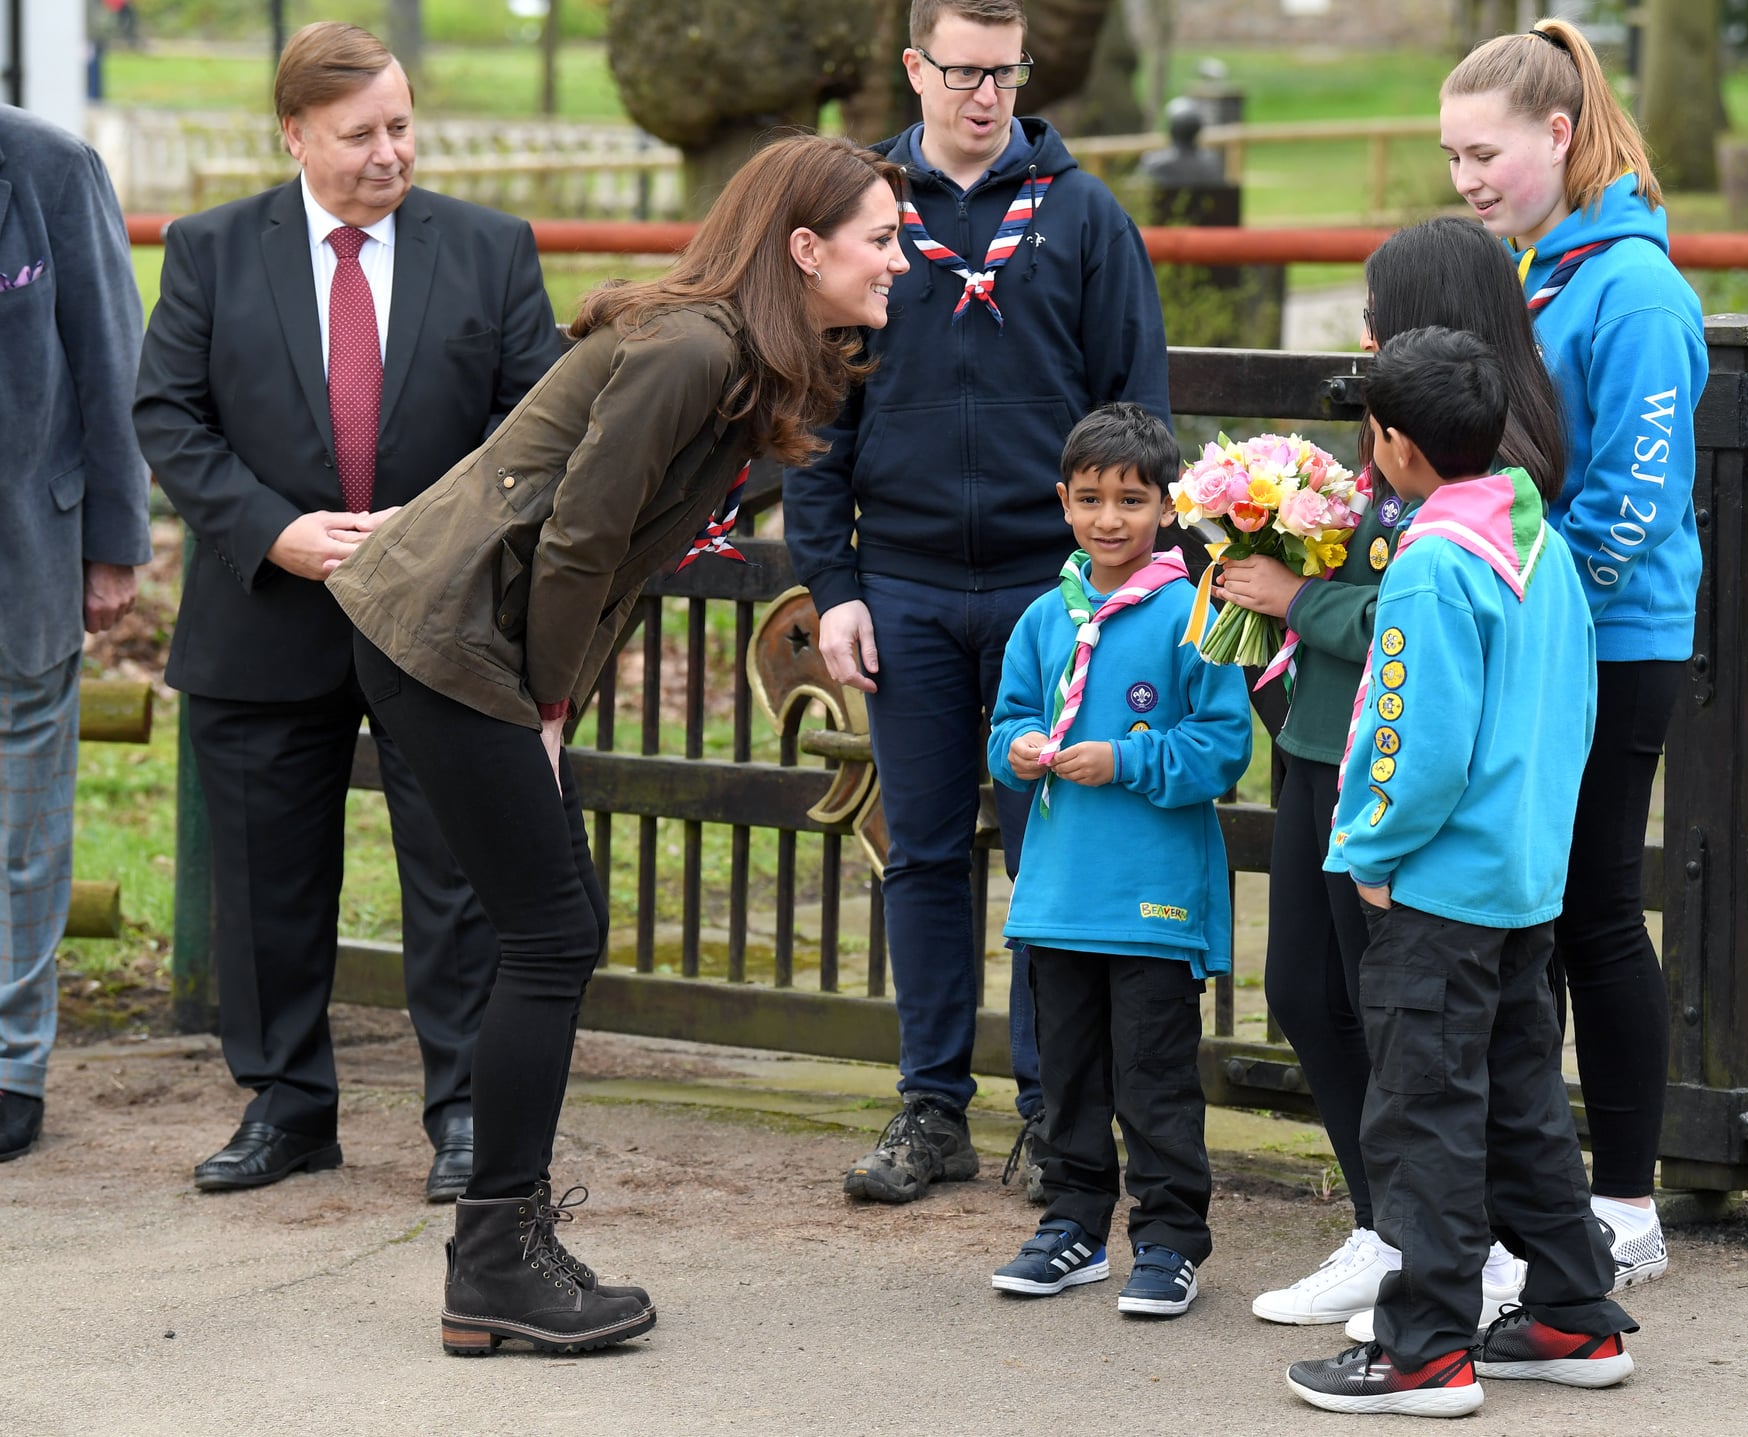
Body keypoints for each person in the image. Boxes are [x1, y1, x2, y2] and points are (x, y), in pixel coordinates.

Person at [327, 132, 910, 1355]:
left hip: (470, 635)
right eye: (881, 239)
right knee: (552, 933)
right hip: (445, 633)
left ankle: (499, 1248)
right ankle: (494, 1263)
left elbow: (598, 557)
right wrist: (543, 712)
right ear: (804, 250)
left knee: (548, 927)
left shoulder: (737, 359)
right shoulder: (692, 350)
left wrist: (548, 707)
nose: (898, 261)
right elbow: (581, 545)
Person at [132, 23, 562, 1202]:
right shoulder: (214, 250)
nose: (390, 152)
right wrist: (276, 531)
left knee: (458, 872)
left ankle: (467, 1115)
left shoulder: (488, 250)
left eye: (401, 125)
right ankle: (286, 1107)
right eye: (360, 133)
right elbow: (167, 414)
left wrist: (434, 539)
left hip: (440, 624)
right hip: (265, 611)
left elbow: (531, 425)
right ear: (294, 136)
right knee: (267, 879)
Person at [783, 0, 1170, 1205]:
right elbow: (810, 417)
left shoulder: (1084, 218)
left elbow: (1135, 409)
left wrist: (1120, 586)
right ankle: (929, 1104)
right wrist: (833, 586)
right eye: (960, 71)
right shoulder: (865, 219)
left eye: (1004, 73)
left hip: (1048, 593)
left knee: (1049, 851)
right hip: (898, 588)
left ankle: (1055, 1107)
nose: (985, 95)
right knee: (924, 852)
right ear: (913, 67)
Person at [1285, 327, 1634, 1418]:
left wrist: (1371, 851)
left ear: (1391, 445)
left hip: (1437, 885)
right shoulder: (1540, 543)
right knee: (1520, 1100)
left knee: (1421, 1114)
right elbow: (1576, 709)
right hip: (1523, 875)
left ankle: (1423, 1348)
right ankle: (1571, 1314)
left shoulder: (1432, 565)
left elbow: (1410, 738)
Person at [1228, 215, 1564, 1330]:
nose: (1361, 331)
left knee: (1421, 1040)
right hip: (1323, 746)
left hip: (1400, 802)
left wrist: (1299, 602)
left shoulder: (1483, 481)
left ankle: (1449, 1272)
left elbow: (1429, 637)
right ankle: (1390, 1233)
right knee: (1308, 994)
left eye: (1377, 313)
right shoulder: (1391, 457)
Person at [1440, 16, 1709, 1284]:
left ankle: (1624, 1210)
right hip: (1535, 628)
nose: (1467, 180)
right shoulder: (1533, 269)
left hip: (1608, 640)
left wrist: (1533, 613)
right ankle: (1531, 1195)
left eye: (1484, 153)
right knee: (1529, 915)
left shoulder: (1636, 289)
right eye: (1450, 160)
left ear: (1556, 133)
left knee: (1593, 910)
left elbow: (1633, 495)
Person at [984, 404, 1251, 1318]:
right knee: (1069, 1078)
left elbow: (1223, 748)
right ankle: (1073, 1224)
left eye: (1130, 500)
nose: (1109, 518)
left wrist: (1129, 759)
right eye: (1090, 498)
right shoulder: (1042, 618)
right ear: (1063, 502)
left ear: (1166, 504)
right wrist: (1018, 749)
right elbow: (1008, 721)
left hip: (1153, 901)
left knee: (1153, 1079)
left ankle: (1172, 1238)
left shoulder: (1196, 614)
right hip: (1058, 897)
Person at [0, 105, 154, 1164]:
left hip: (24, 558)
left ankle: (11, 1062)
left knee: (21, 838)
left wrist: (114, 544)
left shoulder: (50, 166)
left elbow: (109, 358)